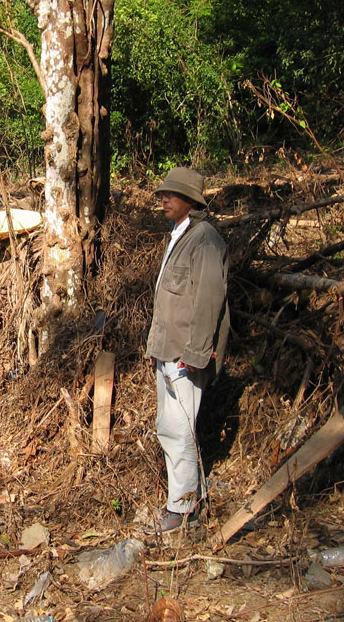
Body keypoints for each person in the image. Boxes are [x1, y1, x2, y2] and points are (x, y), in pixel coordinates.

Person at [144, 166, 229, 534]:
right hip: (168, 350)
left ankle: (182, 511)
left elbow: (208, 302)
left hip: (185, 357)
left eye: (171, 194)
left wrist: (193, 356)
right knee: (169, 427)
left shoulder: (205, 239)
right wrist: (155, 346)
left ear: (191, 201)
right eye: (163, 193)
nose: (164, 199)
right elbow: (169, 300)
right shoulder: (179, 234)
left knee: (178, 430)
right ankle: (189, 498)